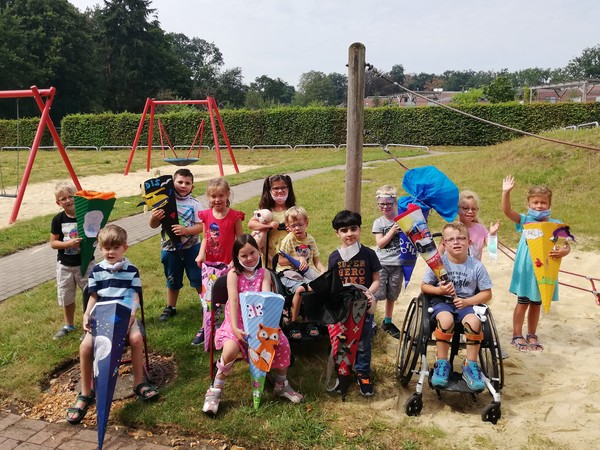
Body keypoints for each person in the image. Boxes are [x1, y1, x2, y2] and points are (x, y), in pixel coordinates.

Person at [66, 224, 158, 425]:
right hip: (103, 317)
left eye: (115, 247)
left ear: (124, 247)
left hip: (126, 315)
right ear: (100, 249)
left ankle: (139, 382)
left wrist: (131, 318)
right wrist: (86, 315)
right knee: (85, 346)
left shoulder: (132, 270)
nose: (111, 252)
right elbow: (93, 297)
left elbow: (134, 298)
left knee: (135, 338)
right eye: (106, 248)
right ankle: (85, 393)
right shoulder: (97, 271)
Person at [202, 234, 303, 415]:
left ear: (258, 252)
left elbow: (264, 298)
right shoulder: (233, 274)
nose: (249, 258)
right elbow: (232, 302)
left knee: (283, 344)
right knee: (230, 350)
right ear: (237, 257)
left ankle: (281, 384)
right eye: (244, 255)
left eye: (252, 253)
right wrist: (234, 327)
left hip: (260, 324)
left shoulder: (264, 273)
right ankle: (215, 390)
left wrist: (263, 328)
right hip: (236, 323)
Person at [421, 222, 493, 391]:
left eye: (461, 238)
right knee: (446, 321)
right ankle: (441, 363)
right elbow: (424, 287)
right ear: (444, 244)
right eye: (451, 239)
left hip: (467, 303)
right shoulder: (438, 264)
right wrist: (439, 290)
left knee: (475, 323)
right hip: (442, 303)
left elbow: (487, 293)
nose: (456, 242)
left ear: (469, 242)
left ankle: (471, 365)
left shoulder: (476, 266)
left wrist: (468, 302)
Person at [502, 175, 570, 352]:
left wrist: (564, 251)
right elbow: (507, 211)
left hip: (545, 269)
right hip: (526, 268)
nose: (539, 206)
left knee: (537, 303)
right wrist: (506, 193)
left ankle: (532, 333)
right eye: (535, 203)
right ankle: (517, 334)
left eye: (543, 203)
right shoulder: (525, 220)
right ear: (528, 204)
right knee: (523, 301)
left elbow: (566, 245)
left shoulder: (556, 224)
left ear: (549, 205)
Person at [328, 210, 381, 396]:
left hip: (363, 306)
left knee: (363, 343)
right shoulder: (334, 257)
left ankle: (363, 374)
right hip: (343, 308)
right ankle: (343, 373)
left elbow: (376, 280)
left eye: (353, 228)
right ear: (337, 233)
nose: (349, 233)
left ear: (360, 229)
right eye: (344, 230)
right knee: (342, 341)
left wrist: (369, 292)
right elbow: (332, 283)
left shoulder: (368, 254)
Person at [192, 178, 244, 345]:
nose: (217, 199)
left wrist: (236, 260)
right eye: (213, 196)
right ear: (208, 197)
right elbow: (206, 237)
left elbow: (240, 240)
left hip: (228, 264)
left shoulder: (234, 216)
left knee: (230, 296)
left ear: (227, 194)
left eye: (221, 195)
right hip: (210, 265)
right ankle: (205, 327)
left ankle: (230, 326)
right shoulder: (206, 215)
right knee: (209, 298)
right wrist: (201, 254)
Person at [149, 168, 203, 322]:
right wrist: (154, 217)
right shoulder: (163, 203)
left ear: (192, 186)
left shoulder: (195, 204)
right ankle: (170, 307)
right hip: (170, 249)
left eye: (187, 183)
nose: (183, 185)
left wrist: (186, 230)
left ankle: (206, 304)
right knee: (172, 279)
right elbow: (153, 225)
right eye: (179, 182)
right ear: (172, 184)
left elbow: (201, 226)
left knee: (197, 277)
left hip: (192, 249)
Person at [50, 182, 93, 340]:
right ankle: (69, 325)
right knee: (67, 295)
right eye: (63, 199)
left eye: (71, 197)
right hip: (65, 265)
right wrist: (68, 244)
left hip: (86, 262)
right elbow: (53, 243)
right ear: (58, 202)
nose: (68, 201)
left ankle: (89, 325)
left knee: (90, 294)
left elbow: (97, 233)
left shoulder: (86, 215)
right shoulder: (58, 219)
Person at [276, 206, 326, 340]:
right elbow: (280, 261)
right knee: (300, 289)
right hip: (287, 273)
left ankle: (309, 320)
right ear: (289, 227)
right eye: (293, 226)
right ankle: (293, 322)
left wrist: (322, 270)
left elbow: (316, 261)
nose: (297, 228)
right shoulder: (288, 240)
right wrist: (297, 259)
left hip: (304, 273)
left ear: (306, 224)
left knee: (314, 288)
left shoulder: (310, 240)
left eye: (300, 224)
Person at [371, 185, 404, 339]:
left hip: (398, 263)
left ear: (394, 203)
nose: (385, 207)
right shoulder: (378, 223)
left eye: (388, 204)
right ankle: (371, 322)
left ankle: (388, 321)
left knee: (392, 294)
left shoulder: (402, 219)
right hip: (382, 263)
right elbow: (380, 243)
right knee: (377, 294)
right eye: (382, 204)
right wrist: (392, 231)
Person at [247, 174, 296, 269]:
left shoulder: (292, 210)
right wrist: (268, 225)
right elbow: (251, 224)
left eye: (283, 188)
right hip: (270, 253)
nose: (280, 191)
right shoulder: (266, 211)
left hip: (288, 251)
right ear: (269, 190)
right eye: (276, 188)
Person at [450, 190, 499, 261]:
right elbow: (440, 253)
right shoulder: (451, 229)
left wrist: (492, 235)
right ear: (457, 209)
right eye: (465, 208)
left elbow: (493, 251)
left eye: (473, 209)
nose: (470, 212)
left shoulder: (481, 229)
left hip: (474, 270)